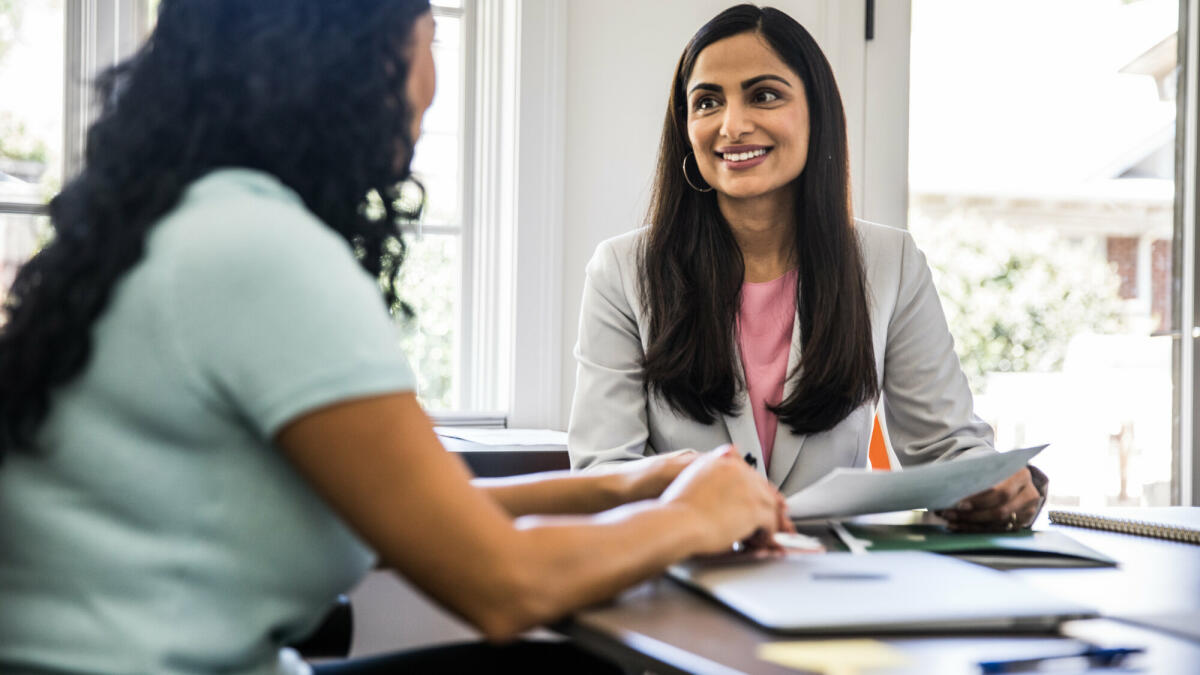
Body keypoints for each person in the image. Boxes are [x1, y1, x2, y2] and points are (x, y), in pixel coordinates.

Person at [0, 2, 792, 673]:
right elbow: (503, 583)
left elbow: (414, 509)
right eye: (428, 40)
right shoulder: (260, 253)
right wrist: (694, 515)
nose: (434, 86)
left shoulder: (188, 223)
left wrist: (624, 487)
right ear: (355, 61)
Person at [567, 4, 1047, 533]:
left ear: (816, 112)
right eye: (707, 102)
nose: (733, 125)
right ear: (686, 127)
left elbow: (945, 446)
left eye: (764, 95)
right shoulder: (622, 271)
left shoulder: (891, 262)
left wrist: (990, 485)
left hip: (837, 583)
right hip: (683, 576)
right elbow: (602, 474)